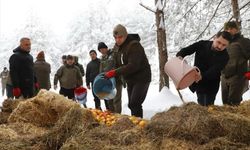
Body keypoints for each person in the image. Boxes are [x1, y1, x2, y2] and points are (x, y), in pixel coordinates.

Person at [105, 24, 151, 118]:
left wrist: (114, 72)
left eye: (120, 37)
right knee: (132, 104)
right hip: (130, 79)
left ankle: (139, 125)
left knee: (134, 103)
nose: (117, 40)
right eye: (115, 38)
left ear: (125, 35)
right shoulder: (118, 48)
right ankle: (137, 122)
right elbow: (116, 63)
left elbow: (133, 66)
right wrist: (108, 73)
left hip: (141, 78)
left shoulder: (134, 46)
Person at [176, 31, 232, 106]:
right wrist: (180, 55)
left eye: (224, 45)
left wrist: (201, 76)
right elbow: (187, 50)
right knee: (202, 105)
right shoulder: (202, 44)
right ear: (214, 38)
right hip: (198, 83)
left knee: (207, 106)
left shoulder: (225, 57)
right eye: (218, 42)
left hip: (211, 85)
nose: (220, 46)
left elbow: (214, 70)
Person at [221, 21, 250, 106]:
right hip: (224, 76)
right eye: (227, 29)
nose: (229, 30)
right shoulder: (224, 42)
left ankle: (235, 119)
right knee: (225, 103)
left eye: (231, 28)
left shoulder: (244, 42)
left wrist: (249, 71)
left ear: (236, 29)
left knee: (233, 103)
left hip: (238, 76)